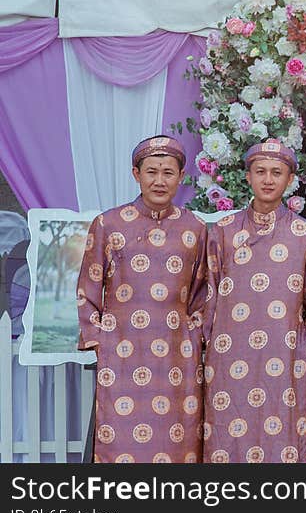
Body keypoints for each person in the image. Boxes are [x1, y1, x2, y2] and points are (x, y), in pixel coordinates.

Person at [76, 135, 207, 463]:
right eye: (151, 172)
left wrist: (194, 336)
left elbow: (205, 292)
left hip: (178, 353)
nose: (159, 181)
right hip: (122, 350)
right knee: (120, 438)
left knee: (177, 436)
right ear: (136, 174)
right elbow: (87, 288)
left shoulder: (196, 228)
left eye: (168, 172)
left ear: (180, 177)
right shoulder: (109, 224)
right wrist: (98, 340)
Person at [202, 139, 306, 463]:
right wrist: (207, 343)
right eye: (260, 172)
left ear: (289, 180)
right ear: (248, 177)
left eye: (277, 172)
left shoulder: (305, 233)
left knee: (282, 430)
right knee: (228, 432)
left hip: (284, 352)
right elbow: (208, 290)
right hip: (229, 352)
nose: (268, 180)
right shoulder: (224, 230)